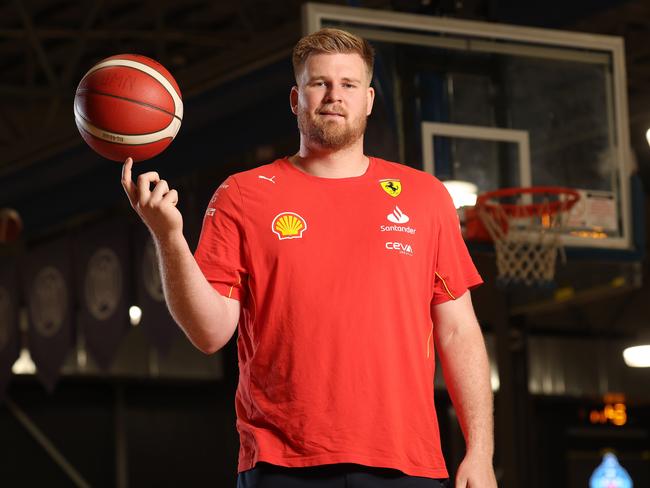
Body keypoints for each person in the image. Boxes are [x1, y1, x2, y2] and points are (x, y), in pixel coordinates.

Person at [122, 28, 497, 488]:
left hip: (406, 462)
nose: (334, 95)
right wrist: (168, 236)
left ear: (369, 100)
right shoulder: (243, 195)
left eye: (349, 84)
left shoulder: (425, 197)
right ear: (297, 97)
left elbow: (458, 331)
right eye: (320, 83)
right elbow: (210, 332)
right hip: (282, 464)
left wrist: (480, 452)